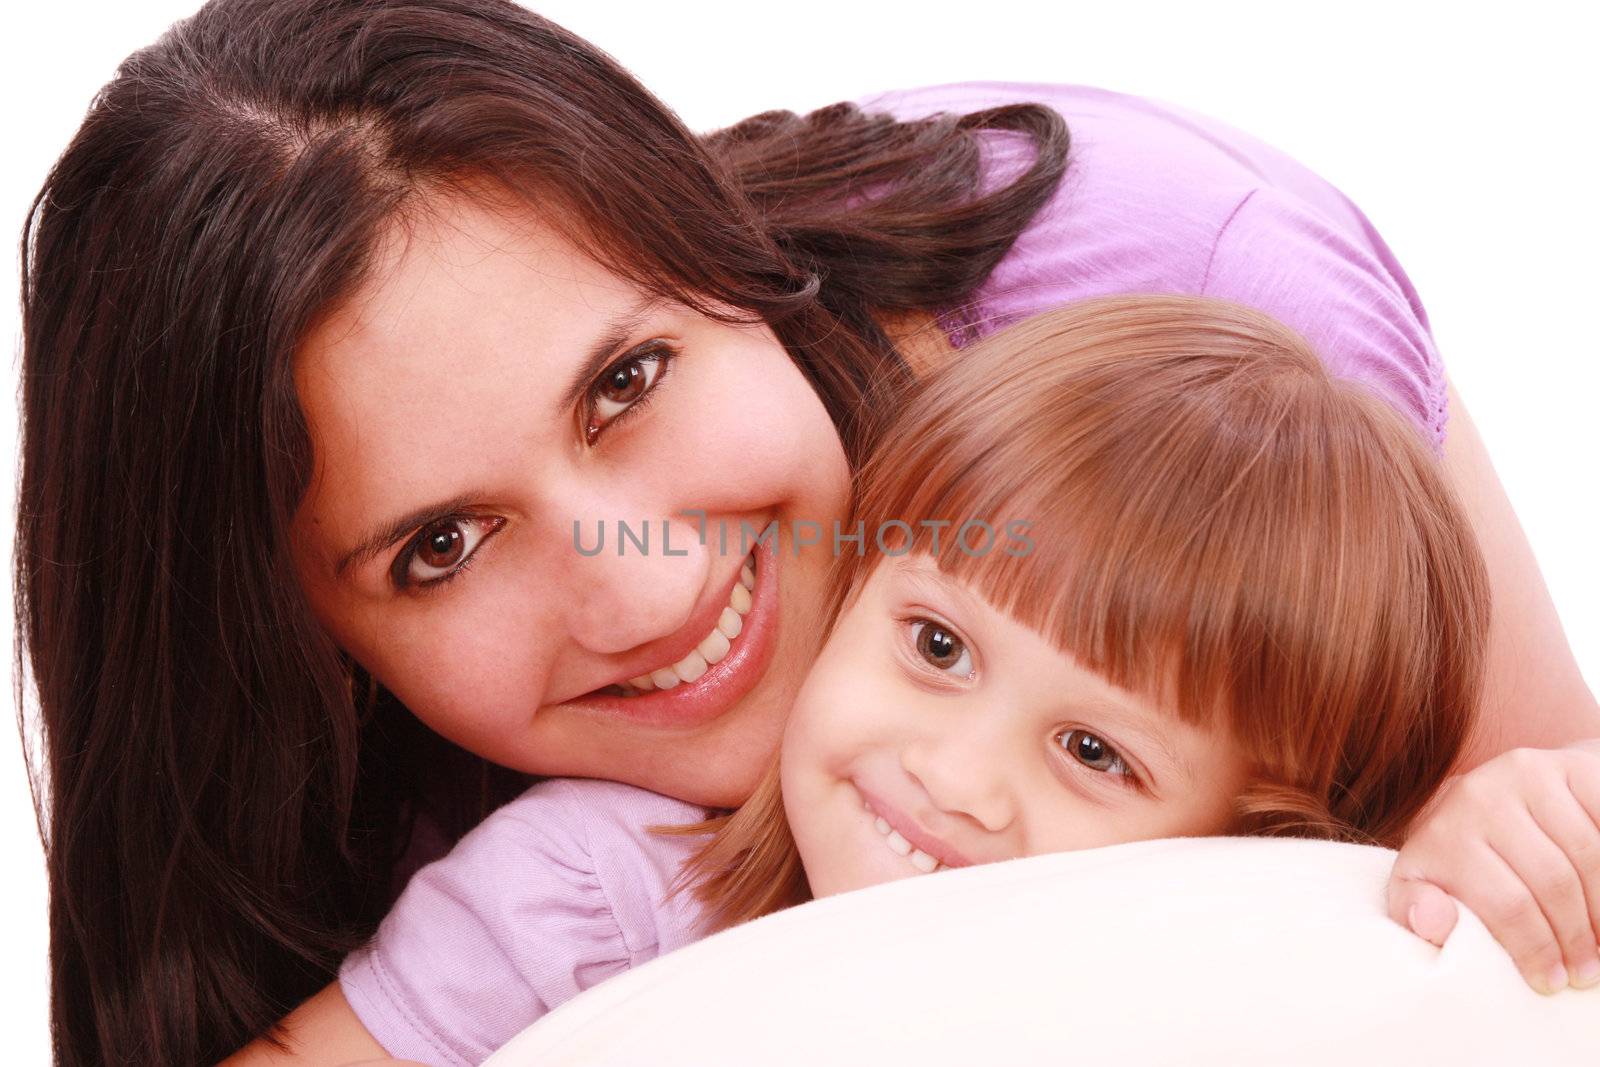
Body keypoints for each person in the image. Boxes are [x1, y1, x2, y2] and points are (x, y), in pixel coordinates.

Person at [15, 1, 1597, 1063]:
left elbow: (1549, 885)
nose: (652, 584)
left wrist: (1493, 836)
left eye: (628, 380)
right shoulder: (567, 875)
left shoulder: (1225, 352)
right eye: (440, 544)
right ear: (309, 658)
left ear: (730, 255)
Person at [261, 296, 1494, 1065]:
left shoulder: (1218, 1005)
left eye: (1094, 751)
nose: (951, 776)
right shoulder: (597, 899)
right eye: (938, 646)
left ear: (1245, 845)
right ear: (854, 587)